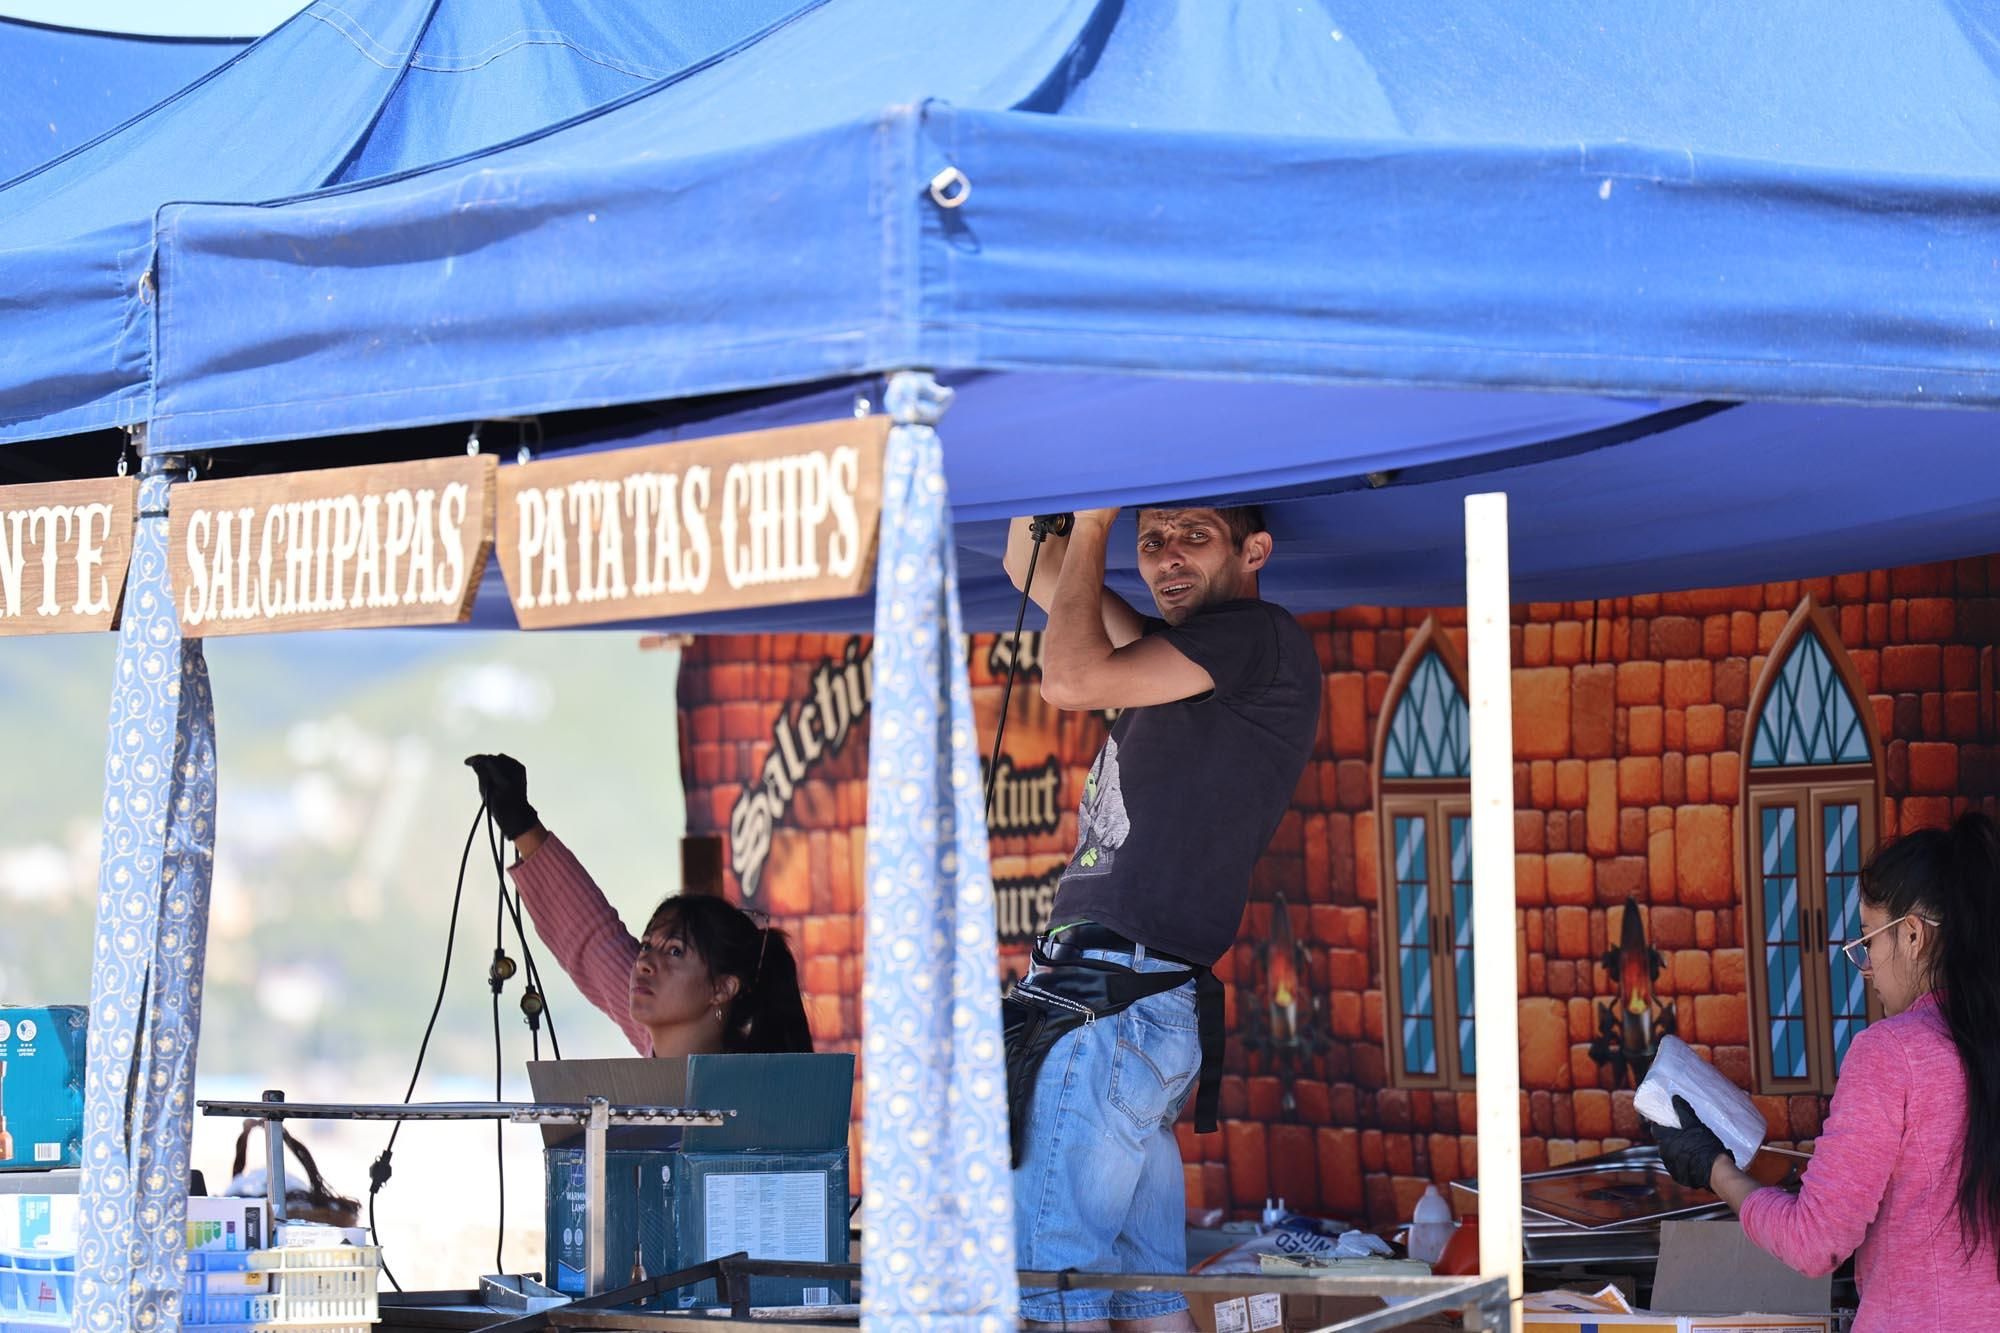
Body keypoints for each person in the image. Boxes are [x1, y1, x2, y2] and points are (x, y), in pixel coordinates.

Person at [1000, 505, 1320, 1331]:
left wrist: (1105, 515)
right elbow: (1028, 567)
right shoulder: (1185, 659)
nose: (1167, 557)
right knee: (1148, 1296)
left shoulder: (1258, 636)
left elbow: (1068, 679)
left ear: (1255, 550)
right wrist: (1066, 504)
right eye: (1151, 542)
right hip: (1132, 1002)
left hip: (1113, 1003)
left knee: (1042, 1289)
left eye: (1193, 537)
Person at [1653, 812, 2000, 1332]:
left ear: (1911, 936)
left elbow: (1815, 1243)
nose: (1867, 970)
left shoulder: (1891, 1053)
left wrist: (1715, 1170)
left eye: (1868, 941)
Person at [463, 754, 812, 1058]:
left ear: (722, 988)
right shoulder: (658, 1034)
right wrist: (521, 824)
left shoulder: (753, 1094)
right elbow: (592, 937)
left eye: (675, 952)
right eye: (646, 946)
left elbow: (594, 940)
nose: (644, 963)